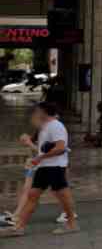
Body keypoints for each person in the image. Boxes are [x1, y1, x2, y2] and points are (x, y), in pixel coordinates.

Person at [1, 100, 76, 234]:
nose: (34, 115)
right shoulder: (45, 127)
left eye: (36, 112)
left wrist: (39, 158)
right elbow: (44, 149)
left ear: (43, 113)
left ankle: (72, 223)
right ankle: (19, 227)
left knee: (63, 196)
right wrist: (38, 158)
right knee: (32, 195)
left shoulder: (56, 126)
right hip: (44, 167)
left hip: (55, 167)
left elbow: (60, 148)